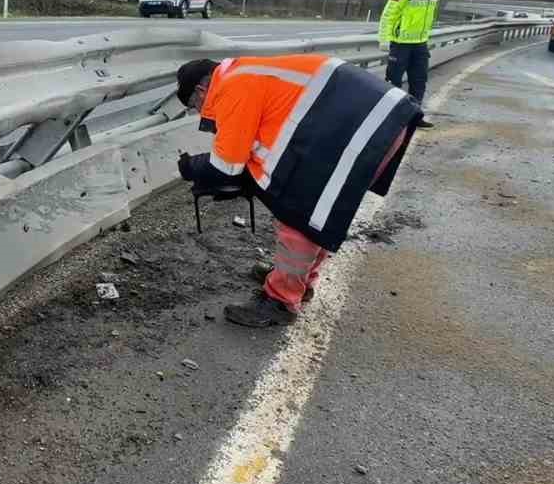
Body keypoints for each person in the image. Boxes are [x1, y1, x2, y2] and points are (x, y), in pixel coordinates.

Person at [175, 55, 422, 327]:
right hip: (374, 124)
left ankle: (281, 300)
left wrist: (192, 167)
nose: (199, 112)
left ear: (201, 90)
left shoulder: (232, 87)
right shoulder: (245, 72)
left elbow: (228, 164)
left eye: (193, 106)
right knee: (316, 209)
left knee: (298, 212)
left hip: (365, 130)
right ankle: (299, 283)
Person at [379, 0, 446, 128]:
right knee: (393, 81)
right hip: (400, 43)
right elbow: (388, 14)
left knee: (419, 81)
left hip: (420, 44)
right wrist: (384, 39)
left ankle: (414, 117)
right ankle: (389, 118)